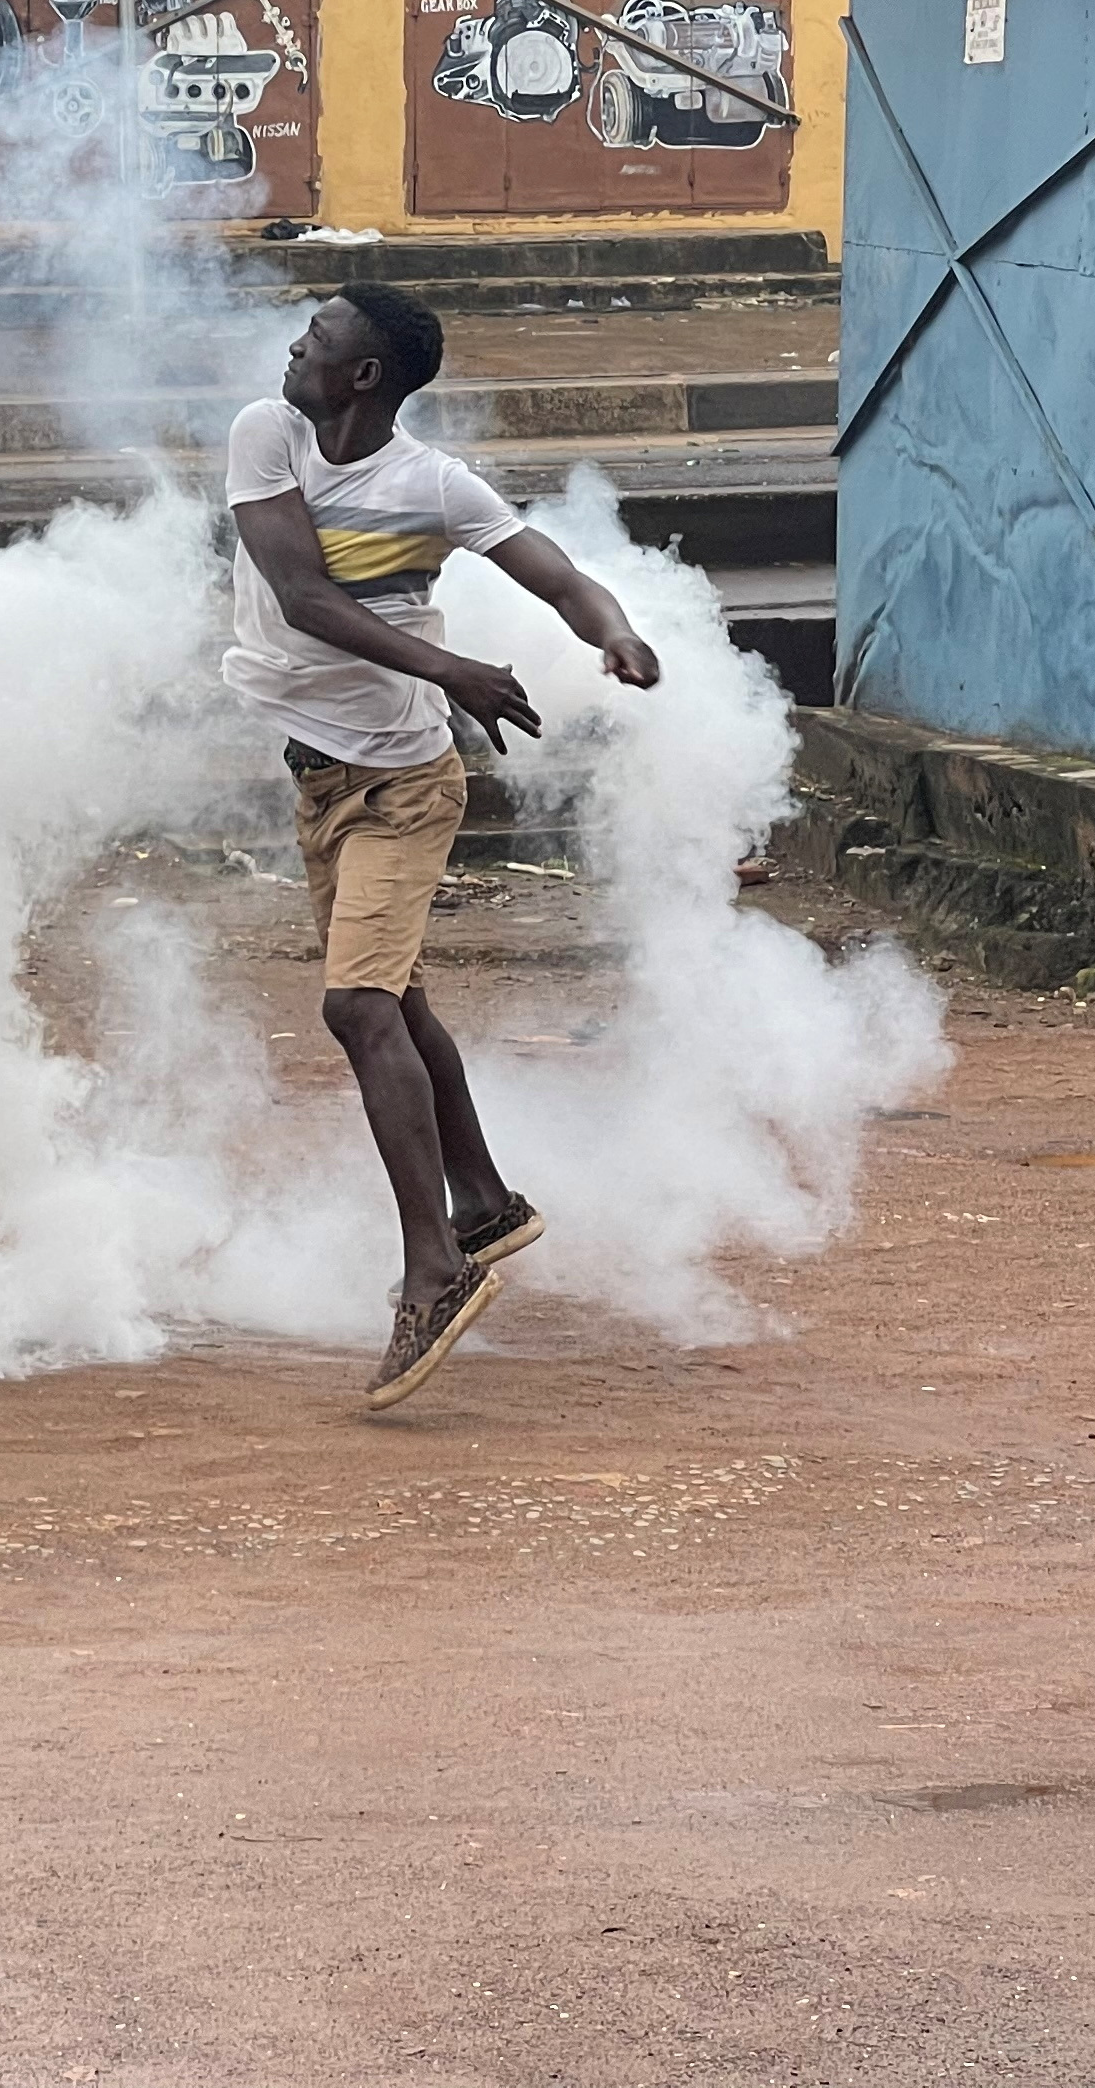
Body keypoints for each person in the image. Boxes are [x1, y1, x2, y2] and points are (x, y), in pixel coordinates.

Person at [225, 284, 660, 1410]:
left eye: (316, 339)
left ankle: (435, 1268)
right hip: (319, 779)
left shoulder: (431, 485)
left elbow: (554, 572)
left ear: (362, 375)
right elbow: (301, 593)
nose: (294, 346)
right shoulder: (265, 432)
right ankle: (485, 1201)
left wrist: (613, 631)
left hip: (406, 786)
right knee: (400, 1006)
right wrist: (454, 670)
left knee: (358, 1008)